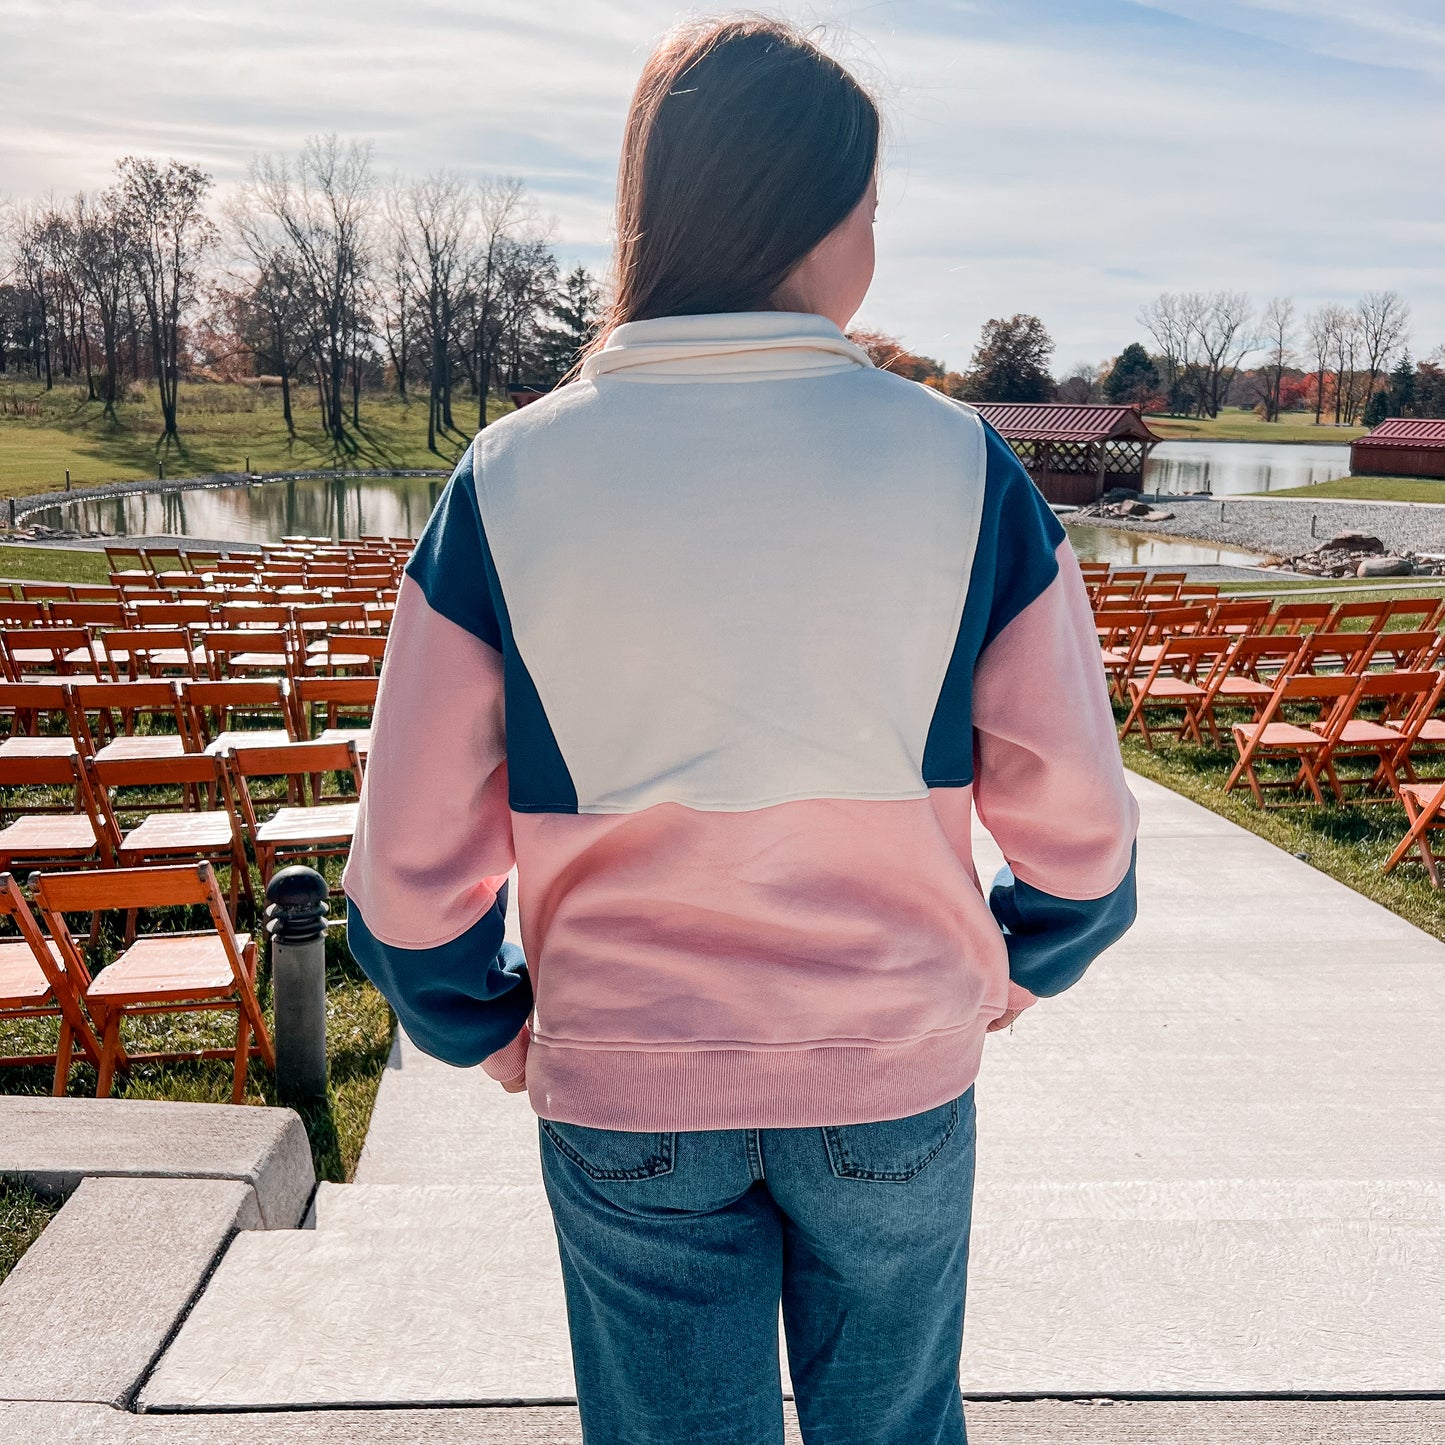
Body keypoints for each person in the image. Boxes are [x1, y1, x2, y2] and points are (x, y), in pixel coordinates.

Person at [343, 15, 1139, 1445]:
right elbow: (1079, 826)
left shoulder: (509, 474)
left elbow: (403, 862)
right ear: (821, 215)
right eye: (872, 206)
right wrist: (1014, 960)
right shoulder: (960, 464)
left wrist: (484, 1017)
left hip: (628, 1071)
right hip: (891, 1056)